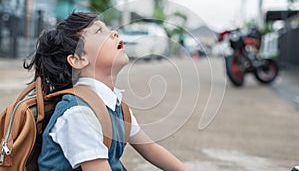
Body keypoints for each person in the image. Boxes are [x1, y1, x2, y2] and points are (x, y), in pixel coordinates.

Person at [24, 12, 189, 171]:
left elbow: (150, 148)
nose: (114, 33)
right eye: (99, 31)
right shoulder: (78, 113)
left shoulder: (116, 106)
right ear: (78, 59)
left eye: (108, 28)